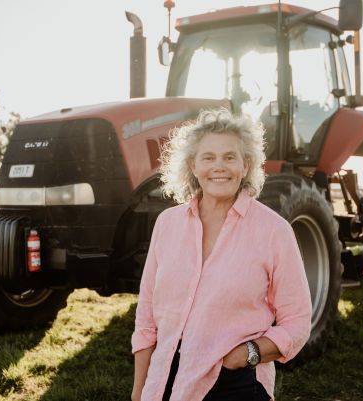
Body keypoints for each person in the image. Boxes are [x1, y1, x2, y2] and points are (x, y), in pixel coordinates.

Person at [131, 108, 312, 401]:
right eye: (208, 157)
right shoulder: (167, 224)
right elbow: (147, 318)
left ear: (246, 165)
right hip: (164, 378)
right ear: (192, 165)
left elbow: (298, 321)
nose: (219, 166)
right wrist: (140, 389)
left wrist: (247, 354)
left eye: (230, 157)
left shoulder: (273, 231)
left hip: (235, 382)